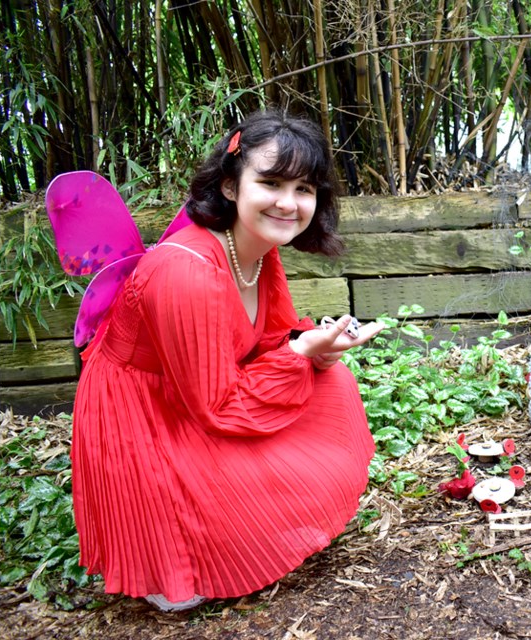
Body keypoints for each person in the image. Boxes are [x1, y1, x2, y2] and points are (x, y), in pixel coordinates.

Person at [71, 110, 384, 611]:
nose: (289, 202)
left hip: (196, 391)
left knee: (332, 384)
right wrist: (299, 354)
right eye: (271, 182)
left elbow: (273, 337)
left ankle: (237, 510)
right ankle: (173, 540)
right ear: (231, 187)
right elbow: (216, 406)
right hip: (146, 416)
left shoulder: (256, 251)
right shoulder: (184, 271)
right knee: (226, 534)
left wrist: (315, 348)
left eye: (304, 188)